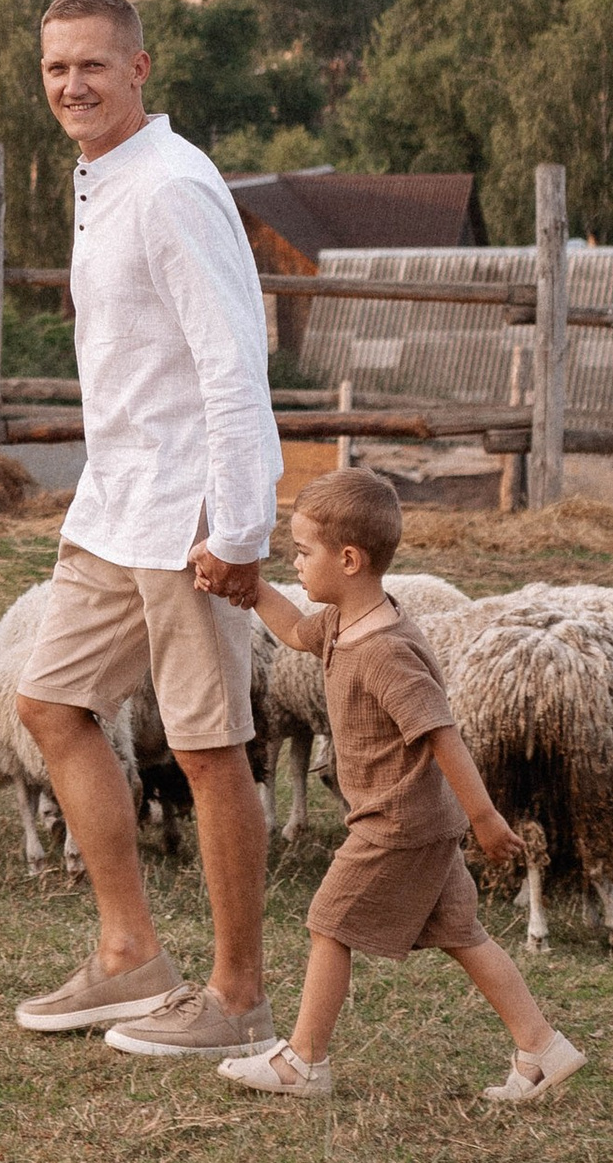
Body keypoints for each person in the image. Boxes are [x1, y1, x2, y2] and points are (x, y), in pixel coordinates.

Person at [11, 0, 283, 1055]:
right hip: (113, 504)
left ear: (138, 68)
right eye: (55, 68)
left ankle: (238, 998)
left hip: (187, 513)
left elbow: (232, 362)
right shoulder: (100, 179)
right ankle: (129, 956)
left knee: (209, 752)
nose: (72, 85)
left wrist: (241, 527)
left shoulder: (171, 186)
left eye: (92, 64)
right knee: (49, 705)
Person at [146, 466, 584, 1104]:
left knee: (329, 923)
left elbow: (441, 734)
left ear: (348, 559)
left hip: (395, 821)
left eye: (303, 552)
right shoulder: (342, 622)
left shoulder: (385, 650)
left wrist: (486, 818)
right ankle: (542, 1047)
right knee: (462, 933)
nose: (296, 563)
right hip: (419, 819)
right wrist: (249, 587)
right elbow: (294, 631)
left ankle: (304, 1061)